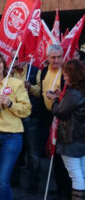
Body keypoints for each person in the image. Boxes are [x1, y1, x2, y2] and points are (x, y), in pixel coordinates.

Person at [0, 53, 31, 200]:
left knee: (2, 181)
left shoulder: (16, 83)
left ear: (4, 65)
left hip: (12, 137)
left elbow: (27, 110)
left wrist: (10, 104)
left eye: (0, 62)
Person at [50, 59, 85, 200]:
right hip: (81, 137)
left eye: (65, 74)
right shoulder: (80, 91)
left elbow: (60, 111)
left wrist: (54, 100)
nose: (64, 77)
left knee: (75, 174)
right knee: (81, 172)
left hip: (71, 139)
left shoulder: (74, 93)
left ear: (72, 75)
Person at [40, 44, 71, 200]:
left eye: (59, 57)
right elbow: (39, 91)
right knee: (51, 155)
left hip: (62, 119)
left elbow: (70, 98)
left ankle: (65, 191)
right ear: (48, 58)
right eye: (53, 57)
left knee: (62, 158)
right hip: (47, 117)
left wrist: (57, 98)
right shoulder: (44, 71)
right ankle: (58, 187)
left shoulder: (66, 73)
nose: (56, 60)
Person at [10, 50, 42, 193]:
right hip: (14, 115)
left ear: (25, 57)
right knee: (15, 150)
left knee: (33, 152)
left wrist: (31, 87)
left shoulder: (35, 71)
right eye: (14, 58)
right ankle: (14, 180)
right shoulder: (9, 71)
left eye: (19, 57)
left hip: (31, 117)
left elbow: (41, 92)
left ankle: (33, 184)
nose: (17, 60)